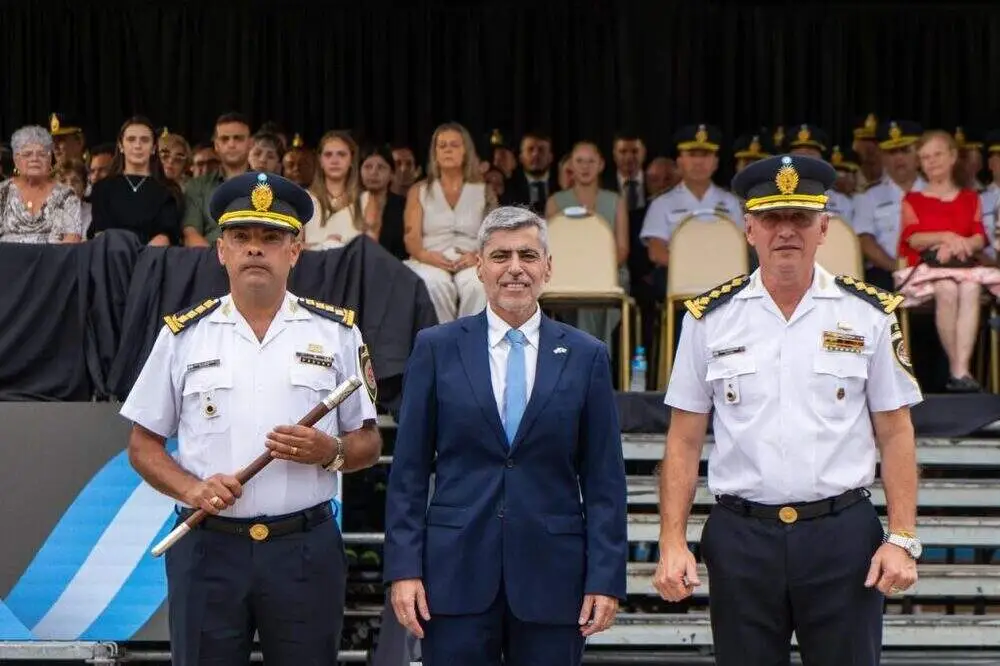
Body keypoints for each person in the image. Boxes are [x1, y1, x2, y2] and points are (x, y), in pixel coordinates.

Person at [653, 154, 923, 666]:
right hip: (742, 537)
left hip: (842, 536)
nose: (785, 231)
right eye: (771, 218)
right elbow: (683, 440)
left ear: (823, 228)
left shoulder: (868, 314)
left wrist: (903, 537)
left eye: (800, 217)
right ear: (749, 228)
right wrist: (672, 541)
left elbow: (896, 432)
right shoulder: (709, 319)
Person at [119, 171, 383, 665]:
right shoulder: (182, 336)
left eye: (271, 237)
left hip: (304, 550)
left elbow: (368, 442)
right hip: (208, 550)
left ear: (295, 250)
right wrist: (193, 490)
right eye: (241, 237)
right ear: (222, 251)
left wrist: (331, 452)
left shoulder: (337, 334)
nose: (255, 248)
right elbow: (142, 445)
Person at [383, 206, 628, 665]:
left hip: (554, 580)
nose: (515, 268)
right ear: (479, 266)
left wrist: (605, 578)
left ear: (547, 267)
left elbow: (604, 480)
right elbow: (409, 472)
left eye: (527, 255)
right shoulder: (436, 348)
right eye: (500, 256)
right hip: (453, 576)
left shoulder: (586, 355)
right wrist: (404, 570)